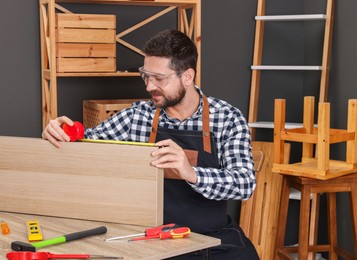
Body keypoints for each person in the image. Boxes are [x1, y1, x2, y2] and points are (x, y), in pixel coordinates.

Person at [42, 29, 259, 259]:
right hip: (152, 239)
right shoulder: (139, 116)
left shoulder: (227, 118)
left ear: (187, 76)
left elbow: (245, 183)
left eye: (159, 79)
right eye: (146, 76)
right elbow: (85, 144)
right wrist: (59, 133)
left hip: (212, 239)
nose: (149, 86)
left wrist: (191, 172)